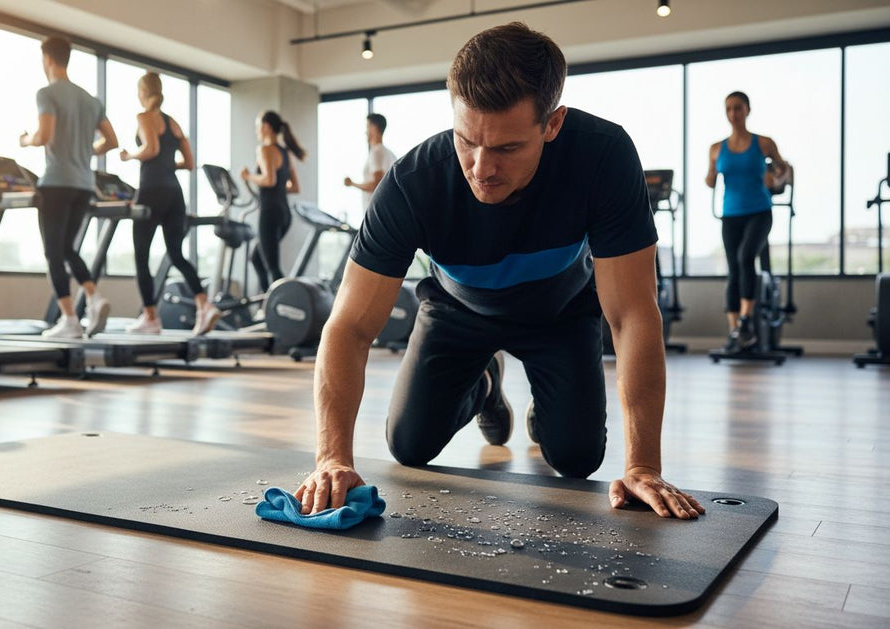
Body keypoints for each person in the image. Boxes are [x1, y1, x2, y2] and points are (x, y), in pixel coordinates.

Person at [294, 22, 704, 521]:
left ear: (552, 125)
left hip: (561, 311)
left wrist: (644, 465)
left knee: (576, 459)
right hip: (457, 311)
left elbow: (633, 315)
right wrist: (331, 458)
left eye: (507, 149)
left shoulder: (603, 157)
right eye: (467, 140)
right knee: (409, 444)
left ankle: (546, 407)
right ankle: (485, 385)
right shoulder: (412, 185)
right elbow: (350, 326)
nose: (481, 167)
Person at [20, 36, 118, 339]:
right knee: (67, 249)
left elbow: (44, 134)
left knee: (53, 252)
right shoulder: (91, 100)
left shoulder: (47, 93)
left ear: (47, 59)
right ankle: (93, 296)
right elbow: (112, 141)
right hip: (84, 184)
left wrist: (26, 139)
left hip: (57, 181)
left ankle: (70, 320)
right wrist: (88, 151)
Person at [118, 72, 220, 336]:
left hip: (151, 189)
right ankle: (204, 304)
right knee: (175, 253)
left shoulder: (143, 117)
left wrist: (130, 155)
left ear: (142, 91)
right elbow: (189, 163)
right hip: (174, 191)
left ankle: (150, 317)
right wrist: (166, 163)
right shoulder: (172, 123)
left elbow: (150, 149)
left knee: (141, 256)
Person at [706, 91, 789, 354]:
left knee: (745, 258)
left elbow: (782, 168)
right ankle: (735, 330)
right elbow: (710, 179)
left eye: (738, 108)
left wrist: (776, 179)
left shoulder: (763, 143)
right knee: (733, 268)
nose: (733, 113)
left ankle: (745, 320)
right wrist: (711, 175)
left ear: (748, 110)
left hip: (759, 211)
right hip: (730, 213)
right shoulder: (716, 148)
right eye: (729, 108)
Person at [240, 111, 305, 292]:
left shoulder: (265, 149)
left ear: (266, 127)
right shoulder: (285, 152)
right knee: (257, 259)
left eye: (258, 126)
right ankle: (268, 304)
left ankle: (284, 307)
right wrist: (275, 187)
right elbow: (294, 187)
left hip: (270, 213)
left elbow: (269, 180)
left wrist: (248, 176)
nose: (256, 131)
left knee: (273, 267)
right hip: (284, 214)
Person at [343, 113, 397, 210]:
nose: (365, 132)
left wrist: (352, 184)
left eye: (367, 127)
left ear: (373, 128)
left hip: (376, 211)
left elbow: (376, 185)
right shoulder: (389, 153)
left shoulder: (376, 152)